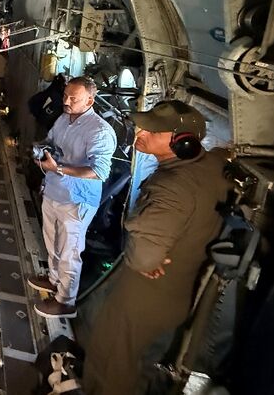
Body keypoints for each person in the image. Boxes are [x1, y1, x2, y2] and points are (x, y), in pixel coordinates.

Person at [82, 101, 230, 395]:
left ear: (182, 142)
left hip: (144, 296)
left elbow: (144, 259)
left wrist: (144, 259)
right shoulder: (212, 167)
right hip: (176, 291)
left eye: (151, 129)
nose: (140, 131)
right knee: (131, 360)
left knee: (110, 360)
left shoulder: (172, 187)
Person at [27, 76, 116, 318]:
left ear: (90, 99)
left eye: (73, 98)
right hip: (55, 190)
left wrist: (59, 169)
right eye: (65, 96)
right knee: (52, 241)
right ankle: (54, 280)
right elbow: (52, 142)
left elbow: (99, 171)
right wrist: (41, 150)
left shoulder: (99, 131)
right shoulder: (64, 119)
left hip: (76, 200)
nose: (66, 101)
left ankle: (66, 301)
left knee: (69, 251)